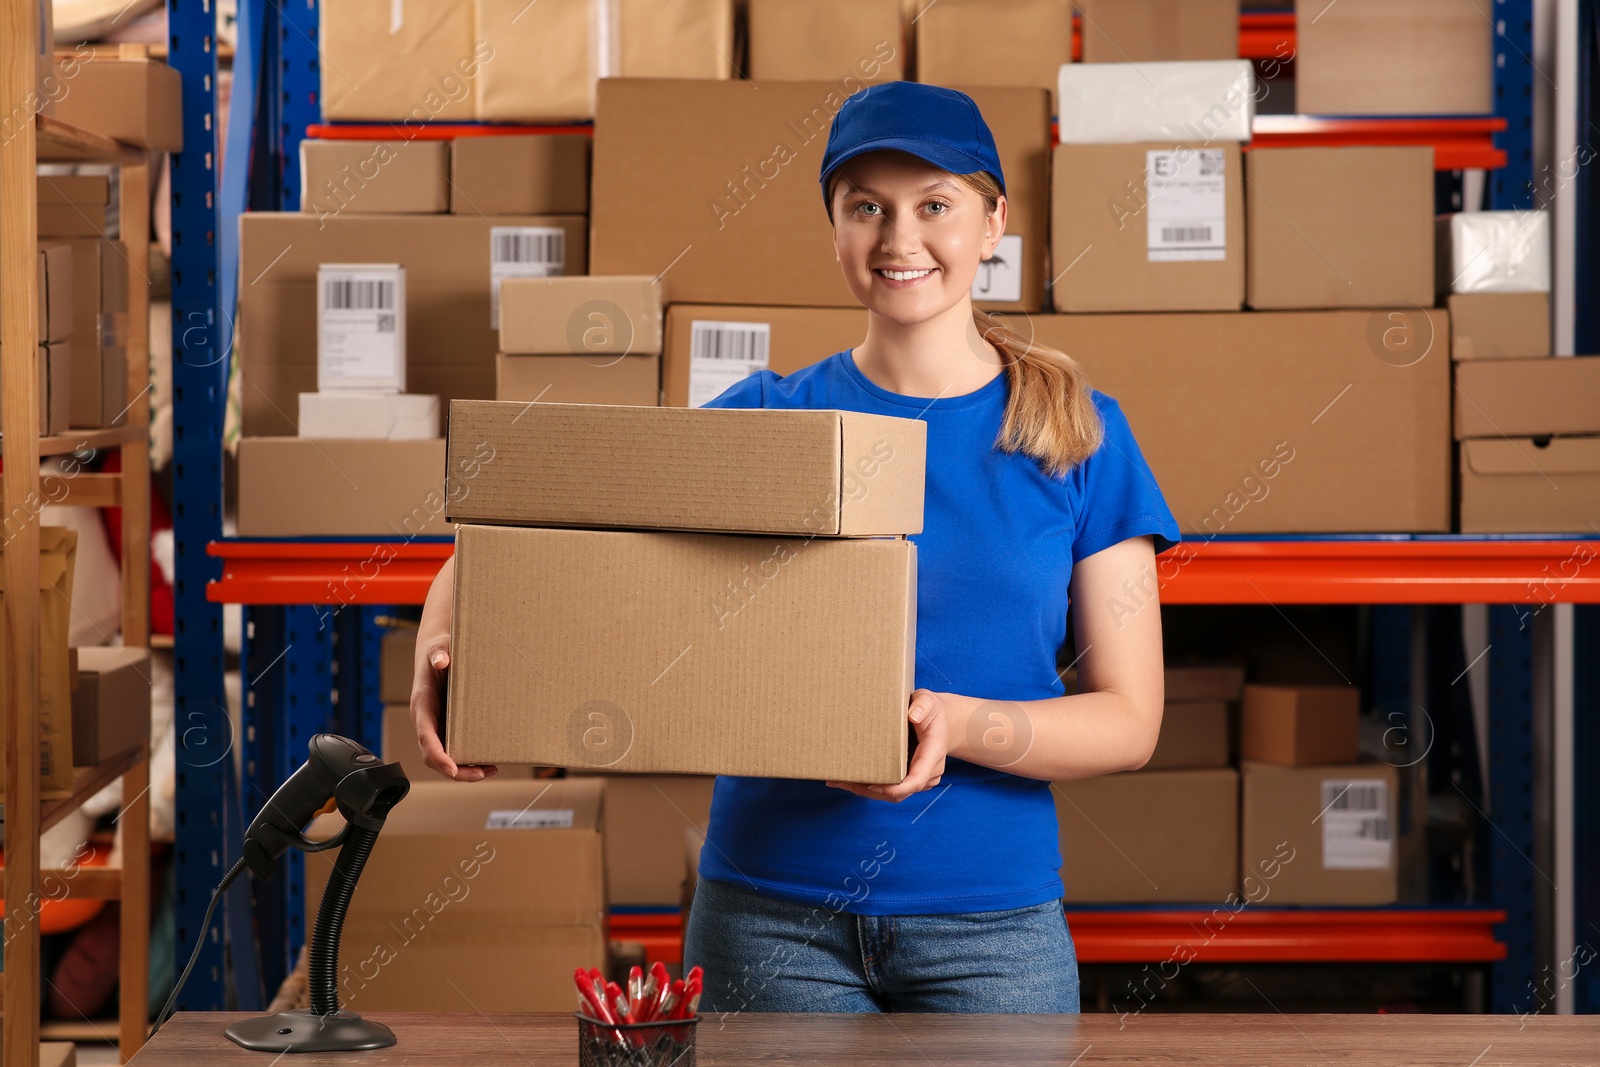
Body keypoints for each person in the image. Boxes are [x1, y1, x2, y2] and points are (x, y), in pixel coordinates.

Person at [410, 81, 1180, 1015]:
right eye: (867, 208)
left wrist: (956, 725)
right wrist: (441, 635)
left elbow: (1131, 720)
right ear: (836, 230)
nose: (900, 240)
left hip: (993, 931)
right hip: (771, 919)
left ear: (993, 223)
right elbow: (541, 524)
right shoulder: (770, 422)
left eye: (935, 205)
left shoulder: (1078, 436)